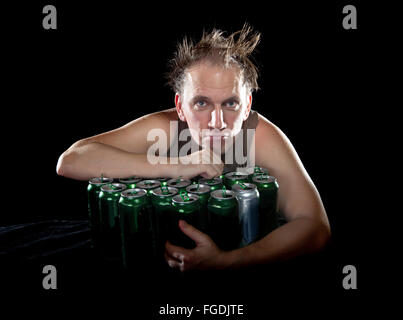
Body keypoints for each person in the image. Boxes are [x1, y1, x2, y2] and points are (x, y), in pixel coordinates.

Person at [56, 24, 331, 272]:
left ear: (247, 106)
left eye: (230, 103)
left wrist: (227, 261)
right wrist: (178, 165)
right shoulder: (165, 127)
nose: (217, 122)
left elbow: (315, 227)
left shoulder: (261, 136)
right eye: (201, 103)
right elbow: (71, 161)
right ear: (180, 107)